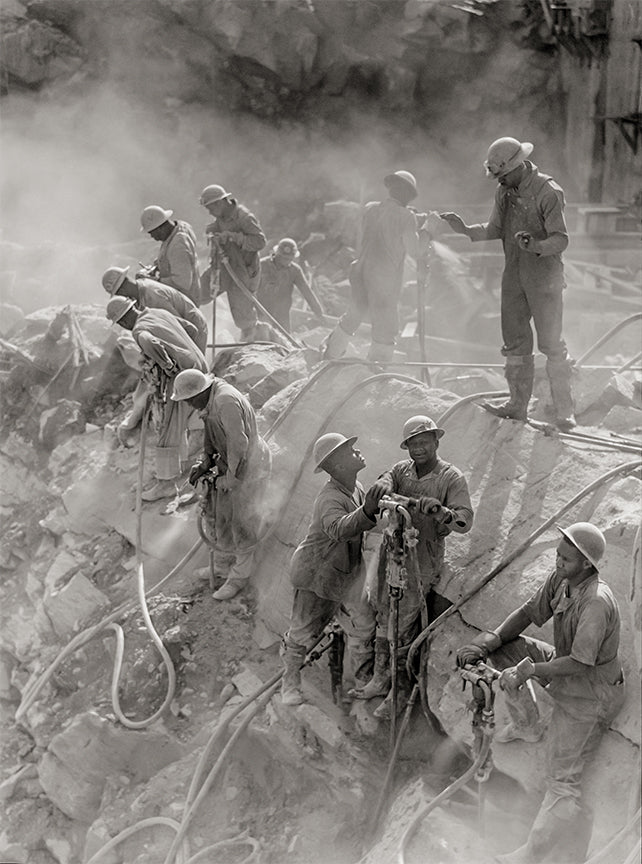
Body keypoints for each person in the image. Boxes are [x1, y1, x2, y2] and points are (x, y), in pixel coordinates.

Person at [456, 522, 624, 864]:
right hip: (563, 668)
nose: (558, 562)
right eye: (558, 555)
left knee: (561, 780)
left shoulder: (595, 602)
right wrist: (489, 640)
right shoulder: (563, 579)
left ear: (587, 565)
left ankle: (530, 855)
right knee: (509, 650)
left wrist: (533, 671)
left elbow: (580, 662)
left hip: (590, 693)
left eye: (566, 559)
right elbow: (529, 613)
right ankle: (528, 726)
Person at [440, 137, 576, 432]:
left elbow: (561, 239)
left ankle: (564, 410)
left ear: (516, 166)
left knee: (551, 344)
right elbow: (495, 229)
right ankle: (517, 405)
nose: (499, 181)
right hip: (514, 275)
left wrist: (536, 244)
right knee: (515, 343)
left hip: (545, 278)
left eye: (502, 175)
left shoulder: (547, 191)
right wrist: (465, 230)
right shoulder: (505, 192)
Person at [353, 415, 474, 718]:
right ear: (406, 446)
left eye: (424, 442)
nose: (419, 449)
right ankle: (380, 678)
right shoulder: (401, 470)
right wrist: (382, 482)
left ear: (436, 441)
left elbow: (464, 520)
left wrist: (442, 512)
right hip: (391, 550)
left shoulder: (451, 478)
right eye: (413, 443)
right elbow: (387, 478)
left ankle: (400, 691)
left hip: (421, 558)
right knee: (382, 610)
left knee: (404, 623)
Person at [280, 433, 387, 706]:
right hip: (318, 575)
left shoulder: (355, 486)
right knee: (303, 632)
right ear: (337, 466)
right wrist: (367, 511)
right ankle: (289, 685)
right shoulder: (329, 499)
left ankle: (364, 682)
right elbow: (339, 528)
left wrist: (386, 517)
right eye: (350, 451)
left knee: (363, 626)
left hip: (348, 573)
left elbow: (366, 520)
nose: (358, 451)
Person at [171, 368, 271, 601]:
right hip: (231, 464)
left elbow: (239, 445)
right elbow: (213, 433)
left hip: (248, 467)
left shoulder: (225, 401)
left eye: (188, 400)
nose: (188, 405)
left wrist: (233, 478)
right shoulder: (210, 400)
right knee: (221, 516)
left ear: (199, 393)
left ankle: (239, 577)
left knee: (242, 522)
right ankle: (224, 565)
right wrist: (205, 463)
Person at [324, 170, 440, 362]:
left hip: (360, 271)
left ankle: (331, 354)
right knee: (385, 324)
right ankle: (377, 368)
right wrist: (428, 229)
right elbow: (415, 251)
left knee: (354, 313)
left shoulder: (371, 208)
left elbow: (387, 221)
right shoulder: (406, 217)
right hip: (383, 279)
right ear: (408, 195)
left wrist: (411, 218)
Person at [106, 297, 208, 501]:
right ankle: (199, 455)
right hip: (199, 365)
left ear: (122, 321)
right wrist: (184, 351)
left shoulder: (139, 331)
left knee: (169, 427)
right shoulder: (157, 312)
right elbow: (191, 329)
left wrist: (166, 367)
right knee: (197, 411)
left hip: (181, 375)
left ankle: (166, 484)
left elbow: (150, 343)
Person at [199, 185, 267, 340]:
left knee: (243, 317)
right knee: (198, 291)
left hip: (243, 272)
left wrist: (233, 237)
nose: (209, 212)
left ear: (219, 203)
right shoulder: (221, 216)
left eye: (210, 208)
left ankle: (252, 342)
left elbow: (260, 242)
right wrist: (212, 231)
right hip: (222, 268)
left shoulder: (245, 217)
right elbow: (217, 225)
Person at [102, 266, 208, 353]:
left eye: (119, 294)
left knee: (194, 371)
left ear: (122, 290)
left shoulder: (152, 296)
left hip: (193, 326)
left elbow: (177, 328)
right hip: (188, 328)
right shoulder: (141, 291)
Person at [257, 238, 325, 331]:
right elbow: (249, 287)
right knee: (260, 339)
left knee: (283, 342)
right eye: (284, 258)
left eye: (289, 259)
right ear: (277, 254)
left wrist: (318, 312)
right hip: (261, 312)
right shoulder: (261, 265)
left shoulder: (295, 271)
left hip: (282, 315)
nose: (287, 261)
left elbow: (306, 292)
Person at [140, 205, 201, 306]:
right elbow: (171, 256)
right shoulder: (178, 228)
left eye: (152, 232)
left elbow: (182, 282)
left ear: (160, 228)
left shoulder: (178, 244)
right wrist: (156, 266)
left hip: (185, 303)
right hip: (182, 299)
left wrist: (154, 281)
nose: (152, 236)